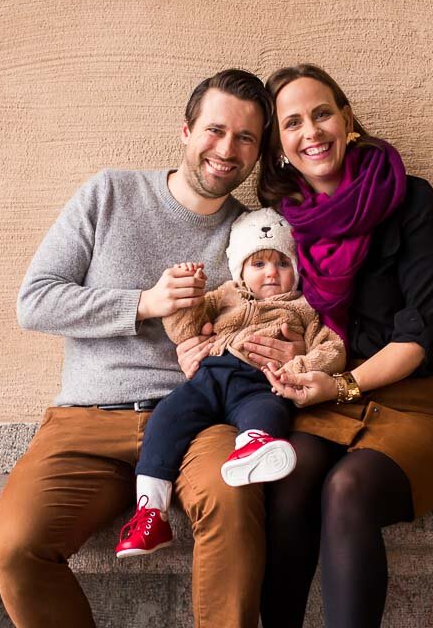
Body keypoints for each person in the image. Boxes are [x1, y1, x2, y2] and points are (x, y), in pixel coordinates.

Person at [0, 68, 281, 628]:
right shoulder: (109, 194)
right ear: (186, 133)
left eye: (246, 137)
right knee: (17, 543)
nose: (228, 148)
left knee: (232, 494)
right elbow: (35, 301)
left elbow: (280, 312)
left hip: (197, 418)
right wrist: (144, 304)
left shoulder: (251, 234)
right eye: (216, 130)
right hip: (88, 416)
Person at [253, 64, 433, 628]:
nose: (311, 133)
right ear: (280, 147)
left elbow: (422, 330)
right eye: (293, 125)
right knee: (288, 476)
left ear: (347, 116)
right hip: (324, 400)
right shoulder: (286, 221)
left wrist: (340, 388)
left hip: (412, 406)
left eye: (322, 114)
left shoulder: (409, 197)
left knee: (347, 492)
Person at [115, 208, 347, 559]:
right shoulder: (225, 295)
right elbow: (184, 331)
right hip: (210, 378)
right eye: (259, 264)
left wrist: (299, 366)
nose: (271, 272)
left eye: (282, 264)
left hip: (261, 380)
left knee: (268, 410)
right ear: (239, 269)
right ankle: (151, 512)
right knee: (166, 417)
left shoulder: (304, 307)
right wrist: (188, 299)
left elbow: (332, 349)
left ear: (296, 271)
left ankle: (254, 448)